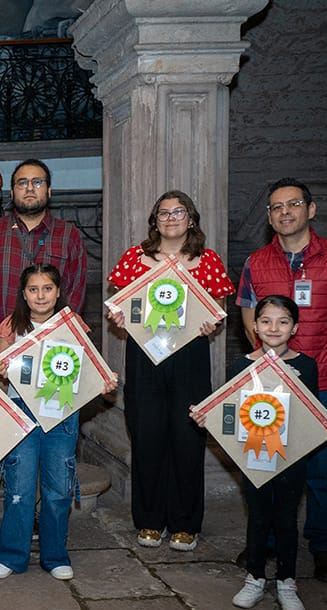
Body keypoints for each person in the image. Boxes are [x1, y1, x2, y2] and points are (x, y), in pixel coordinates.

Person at [235, 178, 327, 583]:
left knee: (321, 467)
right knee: (268, 460)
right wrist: (268, 366)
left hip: (323, 379)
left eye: (293, 204)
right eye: (276, 207)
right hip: (271, 382)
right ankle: (270, 540)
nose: (285, 212)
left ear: (311, 209)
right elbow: (247, 317)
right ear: (269, 217)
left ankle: (324, 546)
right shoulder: (256, 262)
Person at [190, 295, 327, 610]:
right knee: (259, 515)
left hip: (291, 455)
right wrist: (208, 415)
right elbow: (232, 410)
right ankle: (255, 578)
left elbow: (311, 412)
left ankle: (287, 581)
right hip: (254, 455)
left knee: (287, 517)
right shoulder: (242, 365)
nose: (273, 327)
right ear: (254, 327)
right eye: (265, 321)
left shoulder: (306, 366)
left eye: (282, 321)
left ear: (295, 328)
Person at [106, 190, 234, 552]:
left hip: (189, 356)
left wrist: (211, 321)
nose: (171, 218)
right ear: (155, 221)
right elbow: (121, 303)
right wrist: (119, 316)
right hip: (144, 355)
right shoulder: (135, 257)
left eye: (179, 212)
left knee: (186, 437)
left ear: (190, 218)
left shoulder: (206, 260)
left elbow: (218, 305)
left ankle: (184, 523)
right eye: (163, 213)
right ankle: (148, 520)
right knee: (146, 436)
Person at [0, 265, 118, 582]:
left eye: (47, 288)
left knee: (59, 488)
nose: (41, 295)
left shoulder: (72, 325)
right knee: (18, 488)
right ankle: (10, 555)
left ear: (58, 292)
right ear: (24, 294)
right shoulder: (11, 327)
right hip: (22, 413)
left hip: (61, 414)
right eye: (33, 289)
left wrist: (104, 381)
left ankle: (55, 554)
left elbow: (88, 368)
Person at [0, 159, 87, 346]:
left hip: (53, 347)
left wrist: (57, 335)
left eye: (37, 182)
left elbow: (76, 291)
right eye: (22, 183)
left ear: (49, 191)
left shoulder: (68, 235)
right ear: (12, 192)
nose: (29, 188)